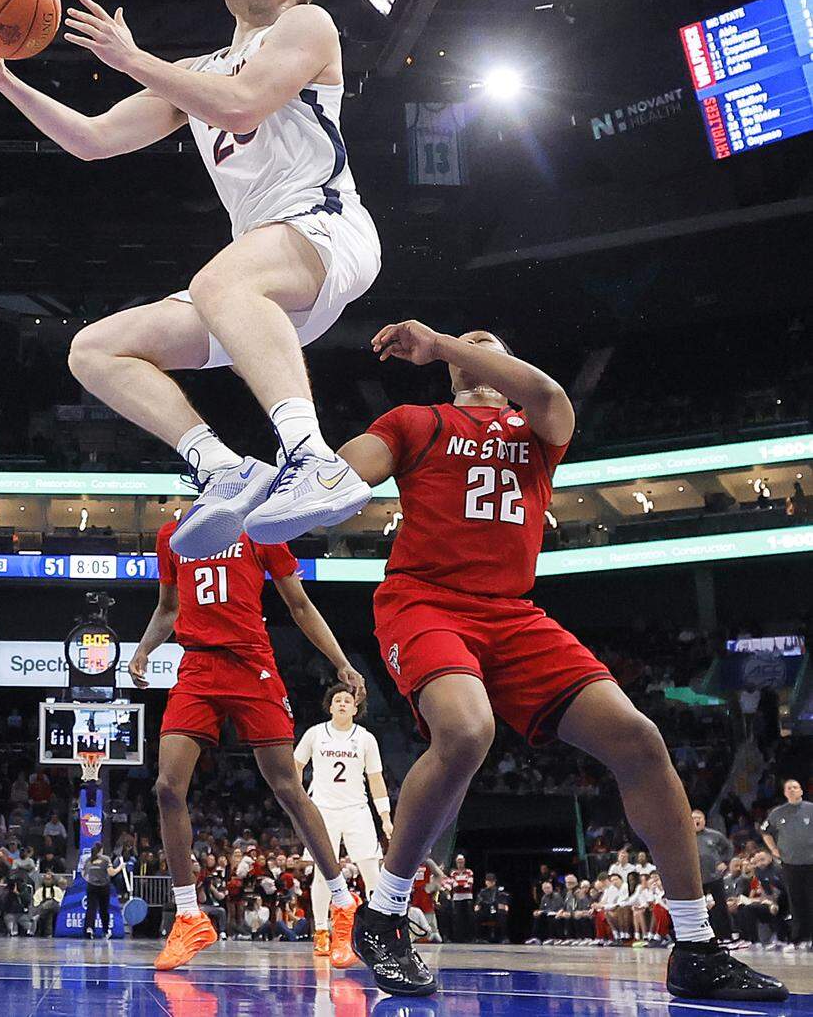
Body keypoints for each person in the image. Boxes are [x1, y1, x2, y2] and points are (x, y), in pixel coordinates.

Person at [333, 321, 786, 1002]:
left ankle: (695, 945)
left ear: (506, 366)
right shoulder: (414, 419)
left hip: (512, 614)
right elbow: (350, 470)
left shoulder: (538, 425)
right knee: (466, 730)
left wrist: (445, 344)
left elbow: (544, 392)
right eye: (466, 345)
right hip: (425, 602)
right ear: (447, 376)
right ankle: (384, 915)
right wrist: (323, 473)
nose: (476, 348)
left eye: (490, 346)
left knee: (640, 739)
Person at [0, 0, 381, 559]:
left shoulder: (306, 25)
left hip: (324, 225)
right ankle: (224, 469)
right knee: (95, 351)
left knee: (220, 281)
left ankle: (315, 461)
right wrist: (3, 80)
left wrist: (133, 60)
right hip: (262, 282)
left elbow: (242, 108)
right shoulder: (196, 74)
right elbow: (92, 140)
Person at [130, 519, 366, 971]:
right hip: (197, 667)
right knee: (166, 787)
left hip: (251, 664)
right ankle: (188, 916)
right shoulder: (171, 534)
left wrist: (341, 663)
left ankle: (341, 901)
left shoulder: (260, 530)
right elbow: (168, 607)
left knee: (287, 787)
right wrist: (143, 650)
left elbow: (299, 605)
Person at [293, 684, 392, 957]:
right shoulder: (315, 734)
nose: (342, 704)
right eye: (337, 700)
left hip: (357, 808)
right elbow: (296, 766)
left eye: (347, 701)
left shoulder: (365, 738)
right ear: (330, 706)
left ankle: (377, 930)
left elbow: (375, 778)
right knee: (324, 874)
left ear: (355, 708)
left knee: (373, 872)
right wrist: (298, 801)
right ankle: (322, 932)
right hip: (322, 810)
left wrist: (385, 817)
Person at [759, 778, 813, 950]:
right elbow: (765, 830)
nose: (792, 790)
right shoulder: (778, 813)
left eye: (795, 787)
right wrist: (773, 849)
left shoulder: (810, 809)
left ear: (801, 791)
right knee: (796, 901)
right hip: (790, 863)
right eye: (788, 788)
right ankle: (798, 939)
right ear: (784, 792)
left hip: (811, 862)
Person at [693, 810, 735, 941]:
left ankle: (725, 936)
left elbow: (729, 848)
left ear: (704, 820)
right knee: (697, 909)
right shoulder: (685, 837)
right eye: (693, 818)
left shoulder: (714, 835)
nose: (696, 820)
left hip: (714, 877)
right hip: (696, 879)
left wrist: (725, 862)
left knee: (720, 906)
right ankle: (701, 937)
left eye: (698, 817)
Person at [83, 844, 120, 939]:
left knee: (91, 908)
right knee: (104, 909)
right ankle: (106, 930)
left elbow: (83, 873)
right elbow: (111, 873)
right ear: (101, 850)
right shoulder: (105, 859)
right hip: (103, 886)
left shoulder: (88, 860)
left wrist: (90, 879)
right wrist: (120, 867)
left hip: (91, 886)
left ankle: (89, 928)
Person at [474, 873, 510, 944]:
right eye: (488, 881)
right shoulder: (482, 892)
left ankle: (504, 938)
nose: (490, 882)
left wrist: (503, 905)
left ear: (494, 882)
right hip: (486, 911)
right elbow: (478, 902)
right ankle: (479, 938)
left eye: (491, 881)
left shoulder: (500, 891)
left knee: (502, 914)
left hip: (497, 912)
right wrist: (477, 906)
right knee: (477, 914)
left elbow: (504, 900)